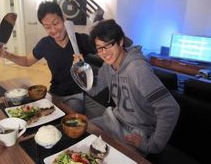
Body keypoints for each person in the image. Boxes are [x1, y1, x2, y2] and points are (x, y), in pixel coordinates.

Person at [74, 19, 180, 155]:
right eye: (100, 48)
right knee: (81, 132)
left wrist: (151, 145)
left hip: (138, 131)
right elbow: (94, 90)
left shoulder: (137, 68)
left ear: (120, 42)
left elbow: (170, 108)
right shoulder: (107, 66)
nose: (104, 52)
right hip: (114, 120)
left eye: (109, 45)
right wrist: (80, 71)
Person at [0, 1, 99, 113]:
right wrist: (7, 55)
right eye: (47, 27)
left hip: (75, 96)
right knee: (33, 112)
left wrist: (84, 65)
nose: (53, 30)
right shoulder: (45, 44)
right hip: (54, 93)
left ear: (64, 18)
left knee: (69, 115)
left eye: (56, 23)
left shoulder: (81, 40)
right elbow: (27, 61)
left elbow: (104, 52)